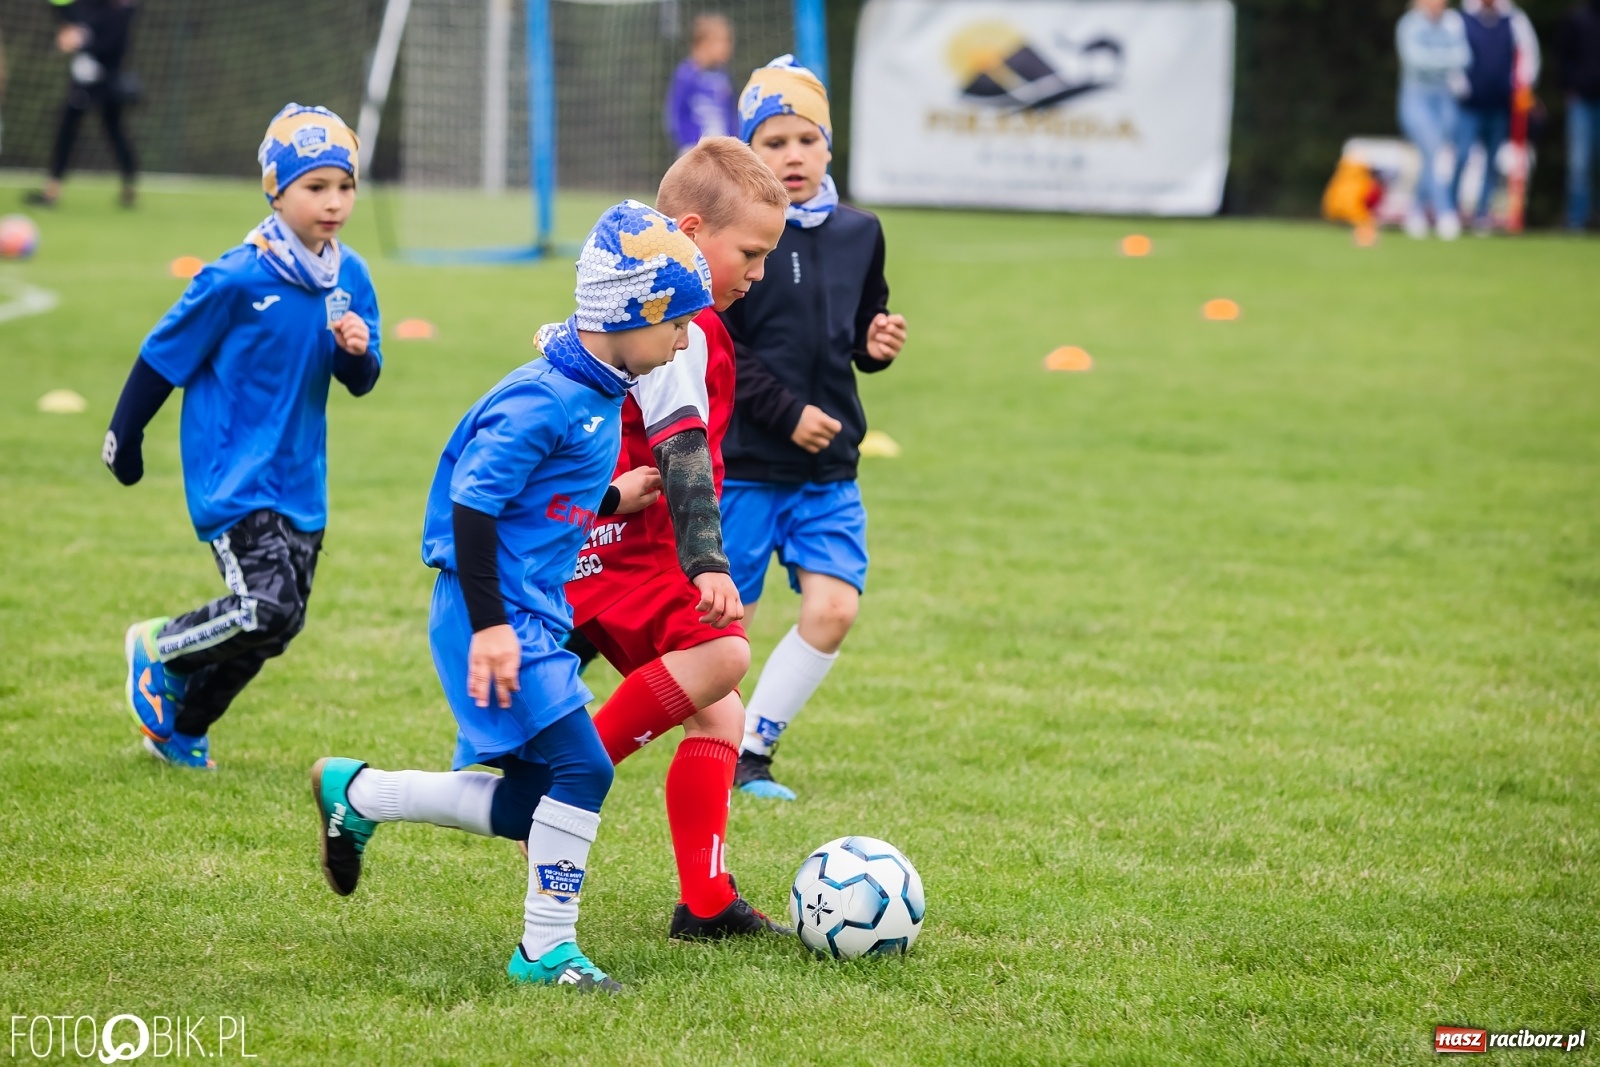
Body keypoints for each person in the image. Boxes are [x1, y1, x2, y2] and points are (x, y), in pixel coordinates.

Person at [308, 202, 714, 994]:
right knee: (584, 768)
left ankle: (357, 793)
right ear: (632, 314)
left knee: (532, 800)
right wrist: (493, 629)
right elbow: (475, 502)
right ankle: (546, 950)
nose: (685, 339)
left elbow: (537, 494)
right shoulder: (545, 398)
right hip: (492, 611)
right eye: (678, 323)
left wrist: (607, 498)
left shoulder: (599, 387)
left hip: (525, 613)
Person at [546, 137, 789, 940]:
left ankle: (707, 903)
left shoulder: (677, 317)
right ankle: (557, 784)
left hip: (618, 544)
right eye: (749, 253)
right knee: (723, 656)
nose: (758, 272)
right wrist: (709, 563)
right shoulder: (680, 324)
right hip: (633, 548)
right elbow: (681, 446)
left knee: (721, 719)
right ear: (689, 232)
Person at [107, 104, 379, 771]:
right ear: (275, 190)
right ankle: (158, 646)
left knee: (279, 625)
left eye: (345, 186)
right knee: (266, 606)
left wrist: (356, 352)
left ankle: (182, 730)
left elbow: (360, 381)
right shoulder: (233, 278)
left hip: (301, 480)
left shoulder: (350, 276)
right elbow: (161, 357)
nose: (334, 202)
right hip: (233, 474)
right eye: (316, 187)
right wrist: (124, 437)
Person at [722, 57, 908, 801]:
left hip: (828, 469)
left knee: (834, 610)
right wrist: (786, 412)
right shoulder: (737, 237)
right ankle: (703, 741)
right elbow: (721, 347)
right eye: (774, 142)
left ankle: (752, 749)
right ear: (748, 154)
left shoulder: (862, 232)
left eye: (807, 139)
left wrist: (875, 343)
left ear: (829, 146)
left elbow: (860, 328)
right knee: (725, 631)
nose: (793, 156)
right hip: (744, 466)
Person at [28, 0, 140, 208]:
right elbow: (67, 12)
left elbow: (111, 44)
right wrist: (69, 34)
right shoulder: (89, 6)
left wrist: (80, 41)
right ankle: (52, 189)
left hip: (107, 82)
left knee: (115, 132)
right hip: (83, 82)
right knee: (66, 130)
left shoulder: (121, 12)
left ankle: (130, 186)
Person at [1452, 0, 1542, 232]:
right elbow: (1453, 55)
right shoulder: (1463, 19)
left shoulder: (1514, 19)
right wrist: (1459, 86)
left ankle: (1482, 212)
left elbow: (1529, 56)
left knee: (1492, 160)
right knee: (1462, 154)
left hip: (1500, 104)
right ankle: (1450, 208)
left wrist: (1521, 87)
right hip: (1469, 105)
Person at [1396, 0, 1471, 238]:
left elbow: (1465, 58)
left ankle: (1416, 211)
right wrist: (1445, 60)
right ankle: (1445, 212)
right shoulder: (1410, 24)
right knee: (1434, 152)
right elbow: (1415, 61)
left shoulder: (1452, 22)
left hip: (1446, 99)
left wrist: (1435, 60)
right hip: (1417, 99)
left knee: (1436, 157)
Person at [664, 13, 738, 155]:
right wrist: (688, 144)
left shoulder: (723, 77)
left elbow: (731, 114)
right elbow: (676, 114)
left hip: (723, 151)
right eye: (723, 41)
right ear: (704, 44)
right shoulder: (686, 75)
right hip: (694, 151)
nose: (728, 47)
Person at [1557, 0, 1600, 229]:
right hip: (1581, 100)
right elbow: (1563, 56)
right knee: (1579, 163)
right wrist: (1569, 88)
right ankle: (1576, 220)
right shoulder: (1577, 18)